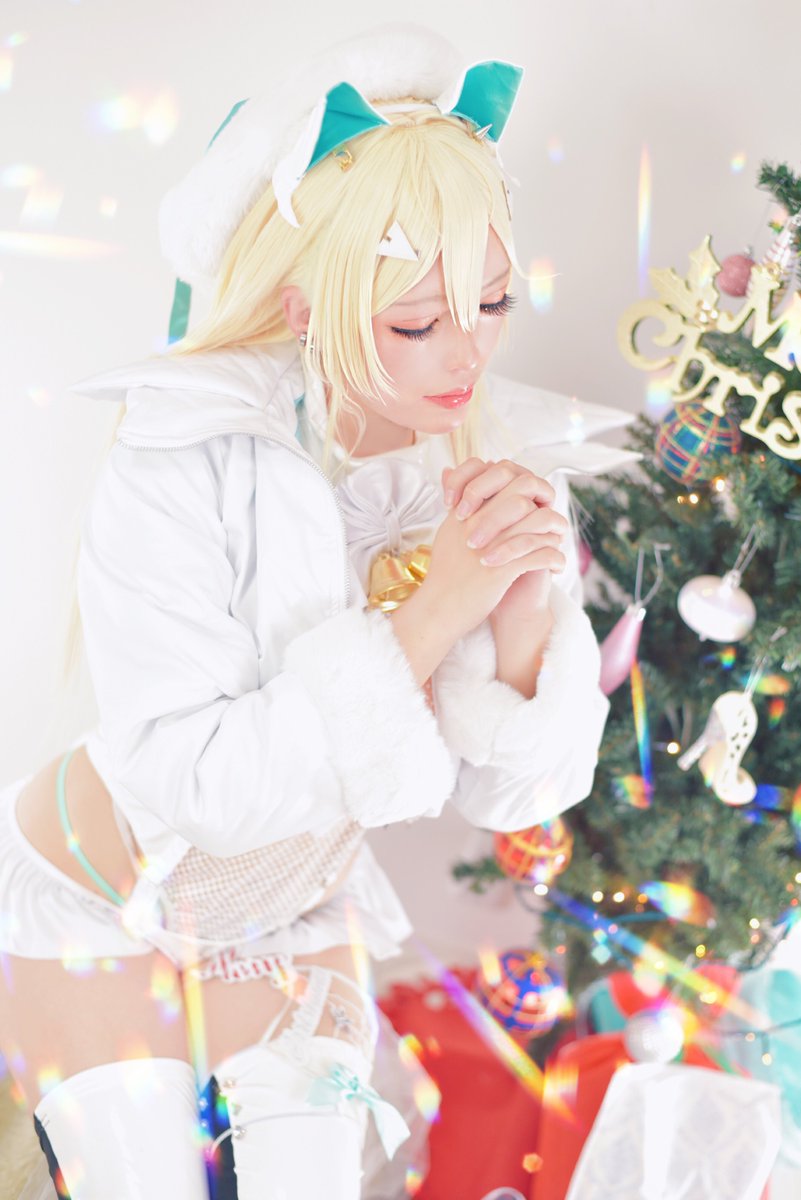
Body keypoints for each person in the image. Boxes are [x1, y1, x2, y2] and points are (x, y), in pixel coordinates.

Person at [0, 22, 619, 1200]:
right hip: (98, 890)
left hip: (293, 907)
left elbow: (517, 796)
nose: (468, 354)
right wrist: (435, 611)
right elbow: (197, 780)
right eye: (417, 322)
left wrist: (524, 612)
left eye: (492, 302)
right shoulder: (178, 453)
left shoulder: (477, 458)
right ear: (302, 306)